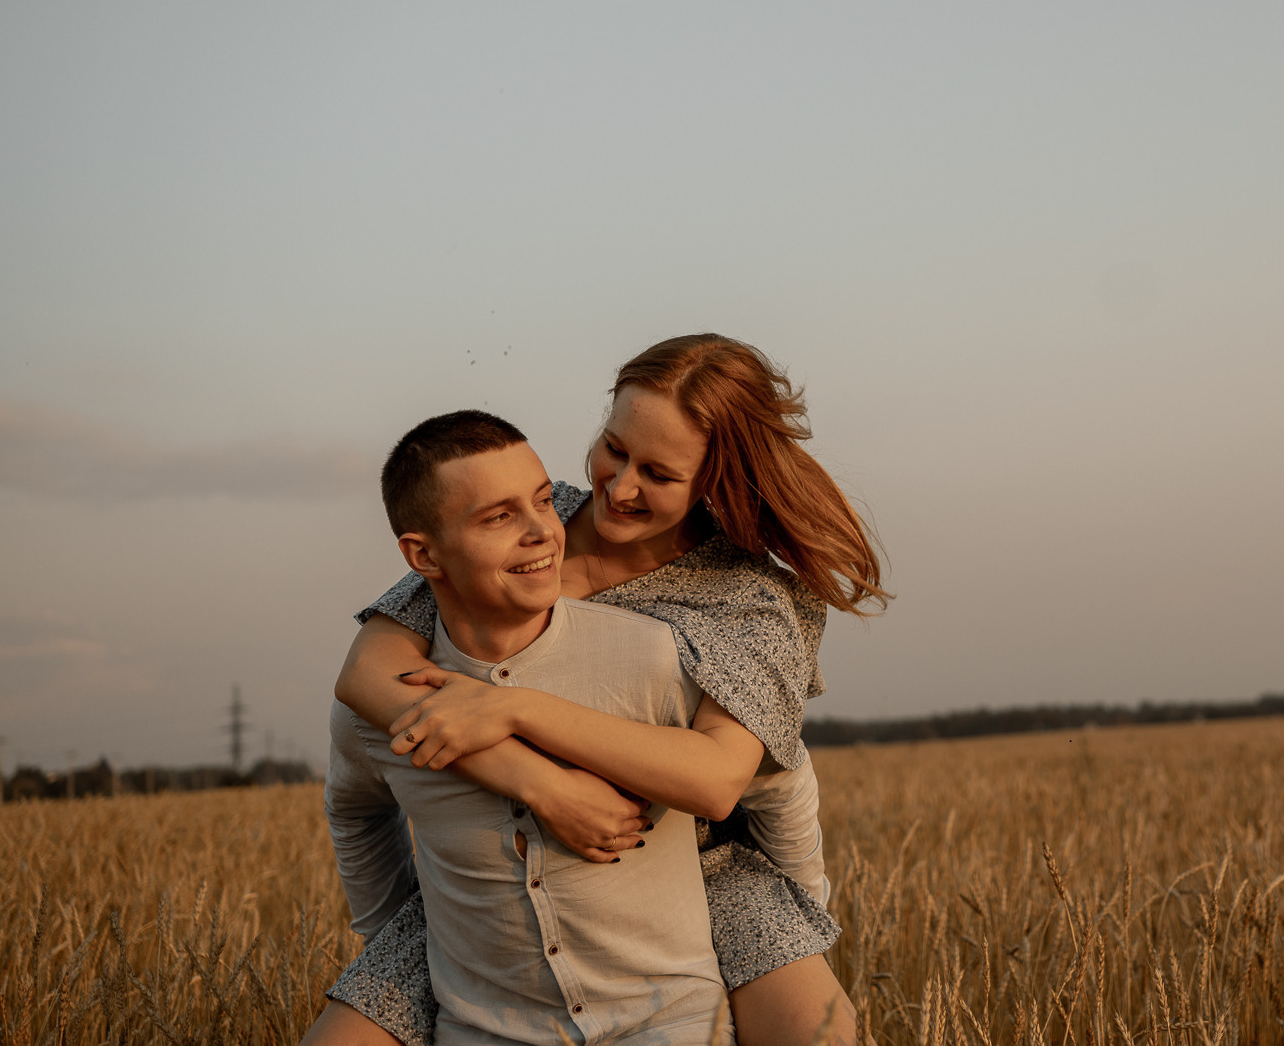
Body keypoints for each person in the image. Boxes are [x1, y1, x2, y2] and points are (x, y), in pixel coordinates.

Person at [307, 335, 885, 1046]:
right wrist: (534, 778)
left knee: (818, 1032)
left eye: (659, 473)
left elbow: (722, 778)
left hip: (696, 864)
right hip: (488, 876)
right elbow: (368, 674)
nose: (620, 486)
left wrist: (513, 707)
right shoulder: (536, 524)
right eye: (614, 448)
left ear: (716, 479)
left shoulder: (748, 599)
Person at [321, 410, 731, 1045]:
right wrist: (393, 941)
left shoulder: (651, 658)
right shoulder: (384, 704)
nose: (544, 531)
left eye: (544, 501)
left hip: (668, 1022)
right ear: (422, 555)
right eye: (499, 517)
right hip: (482, 1030)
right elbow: (353, 811)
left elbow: (771, 788)